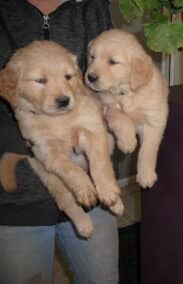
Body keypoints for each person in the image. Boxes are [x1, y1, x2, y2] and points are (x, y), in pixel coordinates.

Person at [0, 1, 119, 283]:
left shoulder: (93, 5)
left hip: (95, 187)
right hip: (16, 197)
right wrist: (25, 140)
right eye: (40, 80)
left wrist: (111, 110)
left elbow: (109, 80)